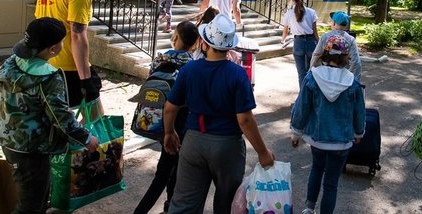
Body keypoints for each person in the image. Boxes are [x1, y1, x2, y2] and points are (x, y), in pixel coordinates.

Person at [0, 17, 99, 214]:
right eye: (61, 42)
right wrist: (86, 138)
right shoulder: (49, 78)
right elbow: (60, 117)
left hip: (6, 139)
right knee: (29, 206)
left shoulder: (10, 63)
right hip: (32, 149)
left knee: (37, 196)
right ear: (53, 49)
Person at [163, 13, 275, 213]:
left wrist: (169, 132)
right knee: (228, 204)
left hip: (193, 142)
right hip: (227, 145)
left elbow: (170, 107)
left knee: (184, 205)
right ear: (229, 46)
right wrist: (262, 152)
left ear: (204, 43)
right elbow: (245, 119)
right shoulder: (238, 74)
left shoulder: (189, 69)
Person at [290, 35, 365, 214]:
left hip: (317, 138)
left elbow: (301, 108)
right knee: (331, 182)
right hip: (341, 141)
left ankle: (309, 208)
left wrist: (296, 132)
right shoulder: (352, 82)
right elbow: (359, 111)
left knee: (316, 169)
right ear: (346, 57)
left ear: (325, 53)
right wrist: (359, 133)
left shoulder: (312, 77)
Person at [133, 21, 199, 214]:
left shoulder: (159, 59)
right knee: (165, 171)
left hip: (157, 117)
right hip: (180, 121)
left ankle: (169, 206)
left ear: (175, 37)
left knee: (170, 165)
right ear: (195, 43)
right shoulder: (192, 65)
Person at [35, 0, 107, 108]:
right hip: (69, 66)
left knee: (62, 115)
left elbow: (38, 24)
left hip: (45, 62)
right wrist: (85, 79)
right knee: (94, 115)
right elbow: (77, 35)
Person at [280, 0, 318, 87]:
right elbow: (315, 31)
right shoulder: (312, 12)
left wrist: (282, 40)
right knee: (311, 70)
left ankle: (302, 94)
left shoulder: (288, 14)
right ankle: (311, 93)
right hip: (311, 42)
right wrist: (318, 43)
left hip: (298, 43)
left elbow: (285, 31)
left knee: (301, 72)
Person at [310, 11, 362, 82]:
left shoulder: (325, 37)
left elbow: (316, 55)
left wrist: (311, 71)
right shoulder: (351, 39)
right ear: (346, 25)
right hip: (343, 76)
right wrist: (352, 80)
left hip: (326, 76)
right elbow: (355, 62)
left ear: (334, 23)